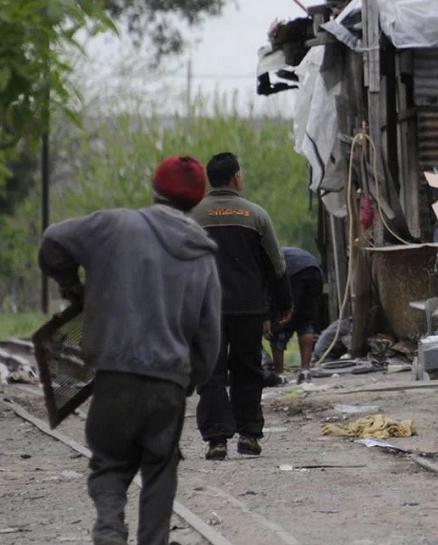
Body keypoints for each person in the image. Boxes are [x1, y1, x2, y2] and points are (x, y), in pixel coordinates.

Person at [38, 156, 221, 545]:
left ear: (154, 189)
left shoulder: (114, 226)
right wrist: (191, 381)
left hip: (114, 377)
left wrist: (72, 286)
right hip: (169, 382)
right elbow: (209, 335)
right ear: (196, 201)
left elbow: (52, 241)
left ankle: (108, 529)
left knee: (109, 466)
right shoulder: (204, 257)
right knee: (161, 468)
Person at [191, 152, 293, 460]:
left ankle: (217, 440)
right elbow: (276, 264)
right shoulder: (256, 215)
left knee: (211, 373)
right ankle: (248, 435)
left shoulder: (192, 217)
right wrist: (282, 303)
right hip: (248, 308)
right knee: (247, 370)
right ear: (237, 178)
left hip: (207, 310)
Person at [265, 246, 323, 385]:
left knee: (281, 322)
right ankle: (305, 372)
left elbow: (268, 293)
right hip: (314, 271)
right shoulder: (279, 253)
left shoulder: (261, 263)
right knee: (306, 321)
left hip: (294, 274)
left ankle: (280, 374)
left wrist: (268, 318)